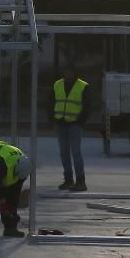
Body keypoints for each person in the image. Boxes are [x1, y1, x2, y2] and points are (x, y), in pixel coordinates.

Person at [49, 64, 91, 192]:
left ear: (74, 73)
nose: (68, 74)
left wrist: (80, 122)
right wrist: (53, 119)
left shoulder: (83, 86)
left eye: (70, 71)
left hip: (74, 125)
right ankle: (68, 180)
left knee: (76, 153)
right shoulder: (57, 84)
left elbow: (88, 106)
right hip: (61, 123)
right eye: (66, 71)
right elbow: (50, 102)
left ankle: (80, 181)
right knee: (64, 153)